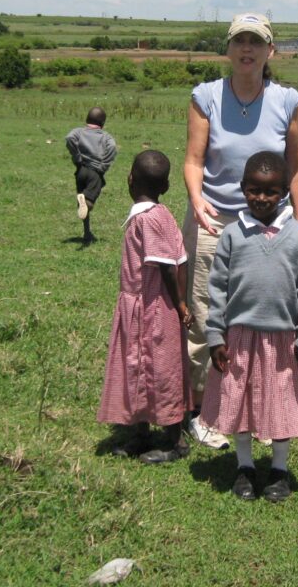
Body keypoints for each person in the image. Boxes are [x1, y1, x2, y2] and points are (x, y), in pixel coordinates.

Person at [183, 13, 298, 448]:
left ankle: (264, 407)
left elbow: (297, 167)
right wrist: (197, 200)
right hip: (214, 220)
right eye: (240, 41)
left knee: (266, 317)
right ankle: (202, 409)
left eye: (256, 42)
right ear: (229, 49)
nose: (247, 50)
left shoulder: (288, 99)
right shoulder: (207, 96)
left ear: (270, 51)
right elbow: (194, 160)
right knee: (205, 312)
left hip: (273, 225)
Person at [199, 151, 298, 502]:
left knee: (282, 401)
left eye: (270, 192)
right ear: (242, 189)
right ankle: (245, 466)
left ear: (284, 192)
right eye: (254, 190)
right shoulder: (233, 235)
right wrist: (215, 335)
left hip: (285, 338)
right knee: (240, 402)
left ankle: (279, 470)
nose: (261, 198)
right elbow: (217, 288)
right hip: (239, 337)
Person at [97, 150, 194, 464]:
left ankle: (174, 440)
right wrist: (181, 301)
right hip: (147, 307)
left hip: (150, 309)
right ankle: (139, 433)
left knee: (160, 370)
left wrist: (179, 304)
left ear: (129, 179)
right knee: (135, 368)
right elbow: (181, 262)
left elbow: (167, 266)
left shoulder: (147, 220)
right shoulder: (162, 214)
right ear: (165, 187)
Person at [66, 106, 117, 244]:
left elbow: (69, 137)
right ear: (103, 123)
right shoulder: (105, 137)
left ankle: (87, 232)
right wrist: (103, 166)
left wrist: (77, 157)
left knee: (82, 201)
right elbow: (112, 148)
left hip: (80, 170)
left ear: (86, 119)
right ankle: (86, 203)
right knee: (89, 202)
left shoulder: (78, 132)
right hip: (95, 173)